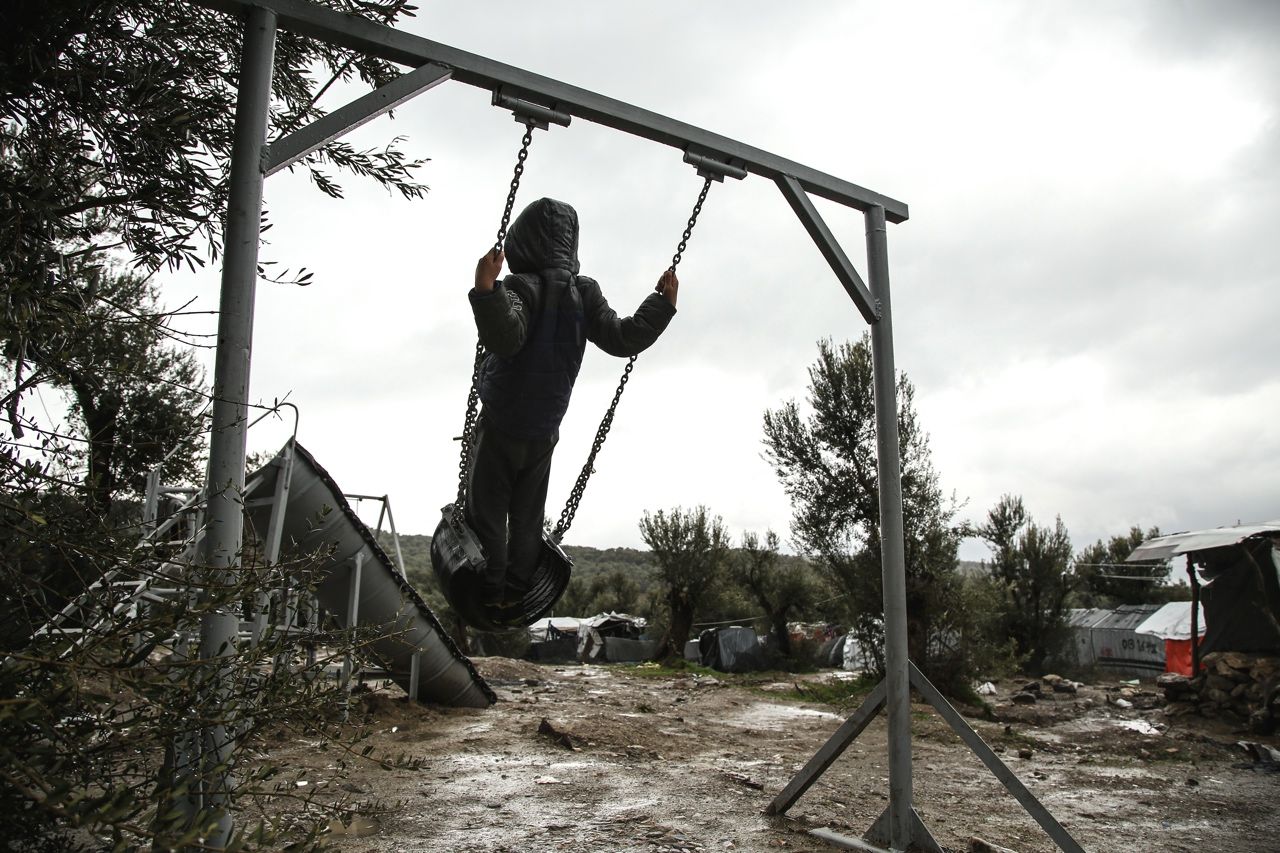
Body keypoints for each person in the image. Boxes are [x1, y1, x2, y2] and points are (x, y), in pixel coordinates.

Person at [466, 197, 678, 609]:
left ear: (522, 243)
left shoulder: (521, 289)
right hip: (545, 428)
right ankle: (517, 589)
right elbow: (622, 337)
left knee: (487, 508)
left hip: (502, 422)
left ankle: (489, 591)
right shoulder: (585, 293)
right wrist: (662, 306)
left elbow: (505, 337)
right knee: (528, 513)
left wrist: (486, 290)